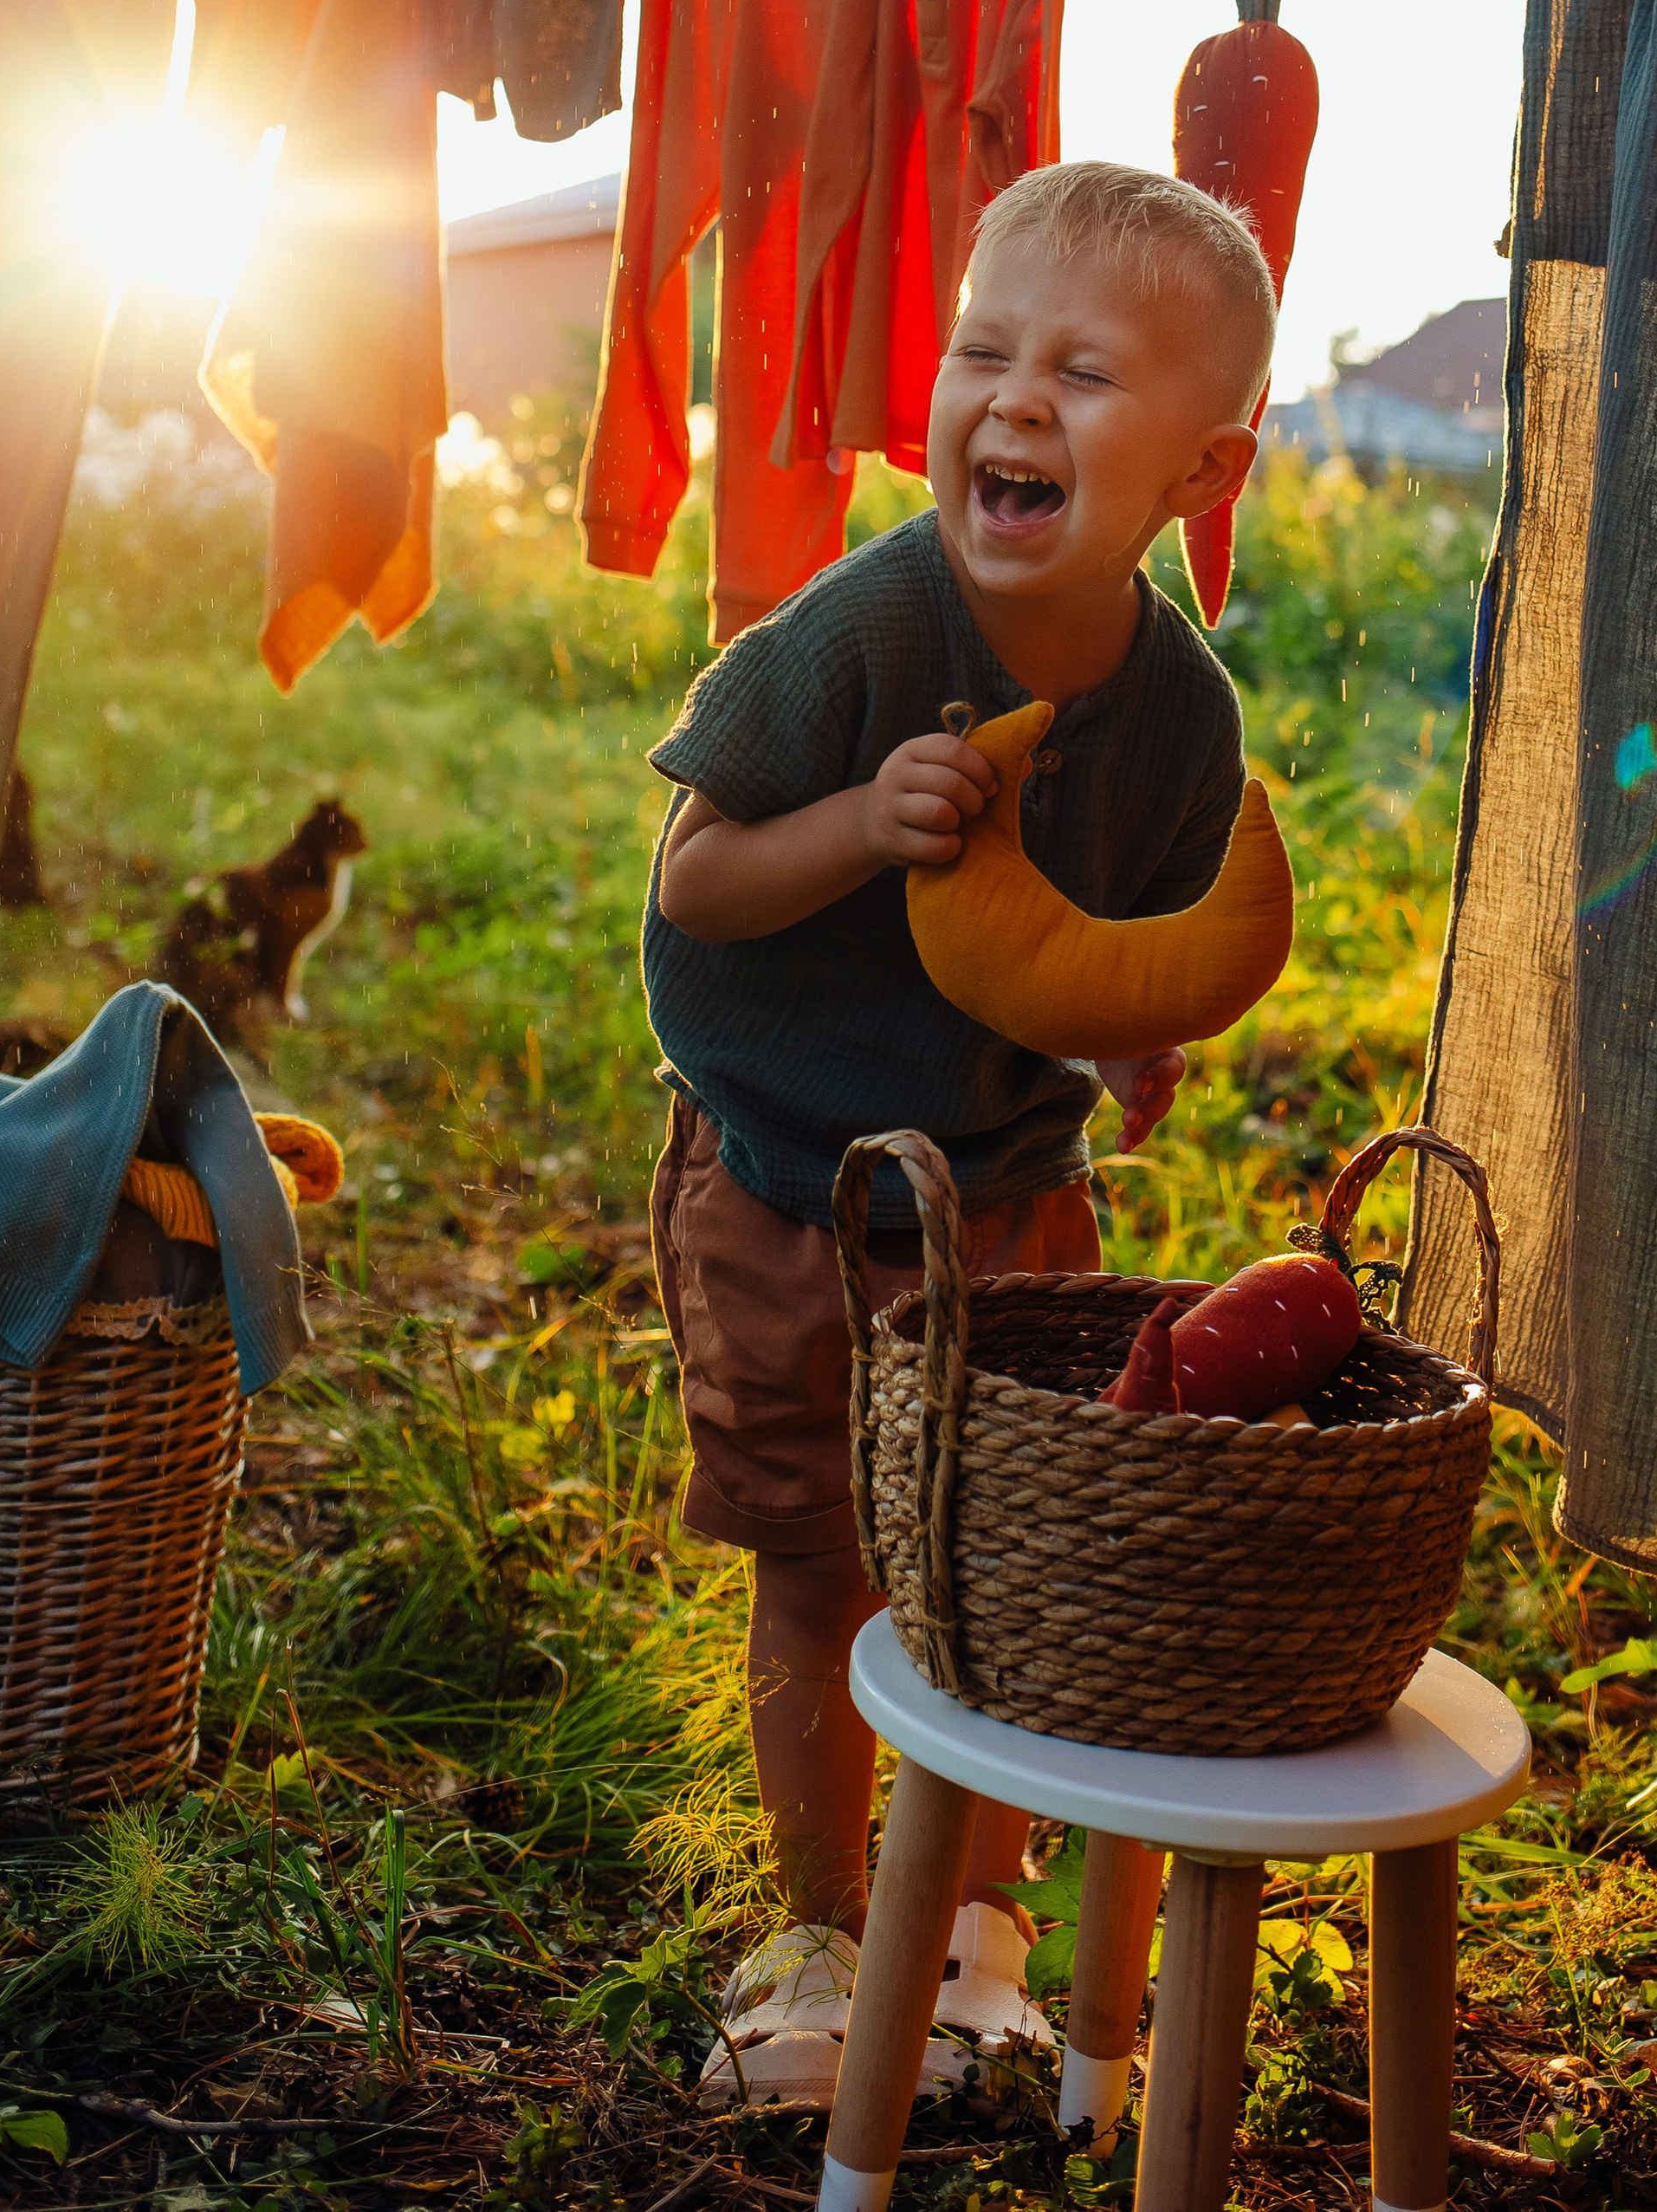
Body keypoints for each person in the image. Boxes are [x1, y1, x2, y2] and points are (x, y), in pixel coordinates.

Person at [642, 159, 1274, 2106]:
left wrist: (1130, 1046)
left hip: (1004, 1186)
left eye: (1081, 373)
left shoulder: (1180, 720)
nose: (1012, 398)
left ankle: (979, 1930)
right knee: (820, 1554)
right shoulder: (857, 633)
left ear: (1200, 471)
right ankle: (820, 1932)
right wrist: (860, 823)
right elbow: (692, 884)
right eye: (982, 352)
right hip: (791, 1180)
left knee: (1002, 1554)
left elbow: (1116, 937)